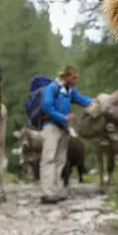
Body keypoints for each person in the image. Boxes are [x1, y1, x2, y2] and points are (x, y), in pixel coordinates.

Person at [40, 65, 93, 204]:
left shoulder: (70, 91)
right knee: (49, 158)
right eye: (74, 78)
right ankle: (47, 192)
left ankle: (55, 190)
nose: (76, 80)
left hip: (63, 128)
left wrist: (96, 103)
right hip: (51, 126)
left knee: (60, 160)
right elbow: (47, 107)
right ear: (67, 76)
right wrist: (63, 117)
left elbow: (82, 100)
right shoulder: (51, 88)